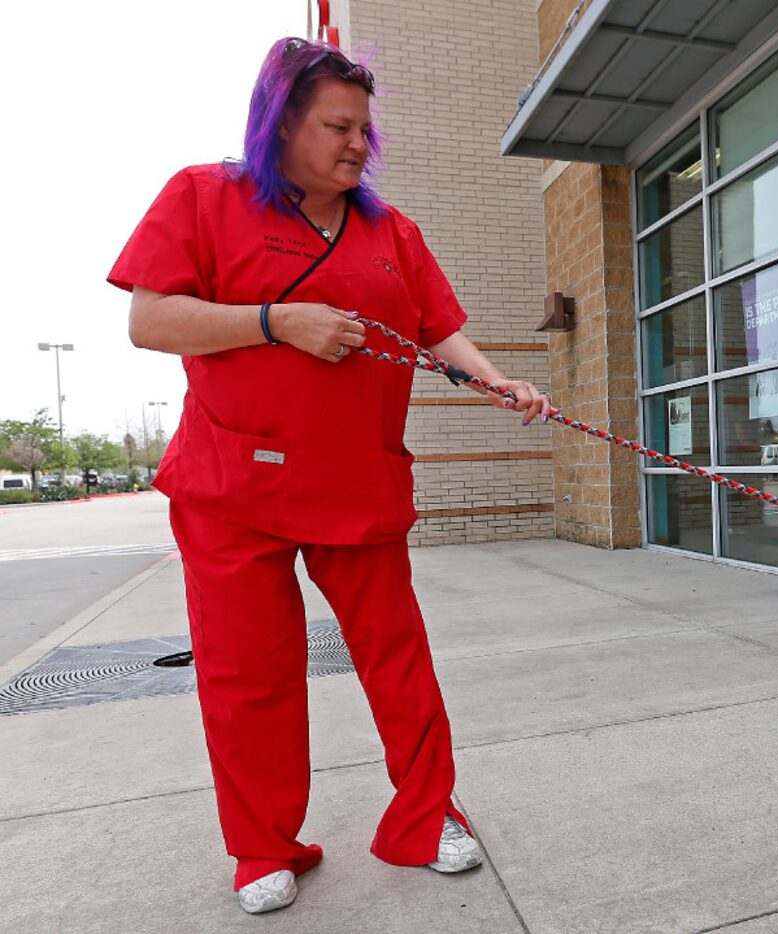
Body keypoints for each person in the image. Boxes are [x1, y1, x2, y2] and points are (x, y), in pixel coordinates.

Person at [108, 38, 551, 915]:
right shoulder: (204, 197)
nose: (358, 143)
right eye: (337, 126)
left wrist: (493, 377)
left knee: (399, 660)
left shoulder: (393, 233)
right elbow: (150, 321)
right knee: (247, 675)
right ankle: (264, 847)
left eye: (364, 127)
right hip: (233, 487)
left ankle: (423, 818)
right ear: (282, 124)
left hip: (358, 483)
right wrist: (276, 323)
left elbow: (437, 328)